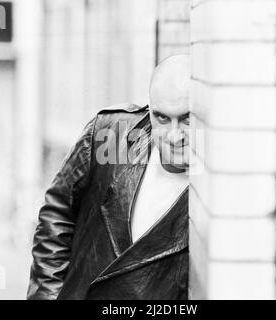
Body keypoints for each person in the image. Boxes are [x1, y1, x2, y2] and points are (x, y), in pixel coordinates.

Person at [27, 54, 190, 300]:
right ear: (149, 109)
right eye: (162, 118)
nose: (174, 135)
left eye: (187, 118)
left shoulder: (218, 192)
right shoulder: (110, 134)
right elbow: (57, 214)